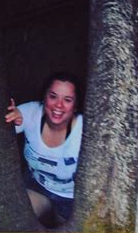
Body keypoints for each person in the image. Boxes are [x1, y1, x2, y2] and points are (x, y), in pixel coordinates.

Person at [5, 72, 83, 225]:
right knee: (14, 220)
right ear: (44, 97)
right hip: (36, 187)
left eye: (67, 100)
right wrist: (7, 118)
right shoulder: (31, 113)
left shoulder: (84, 130)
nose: (58, 105)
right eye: (53, 96)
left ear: (75, 106)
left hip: (71, 199)